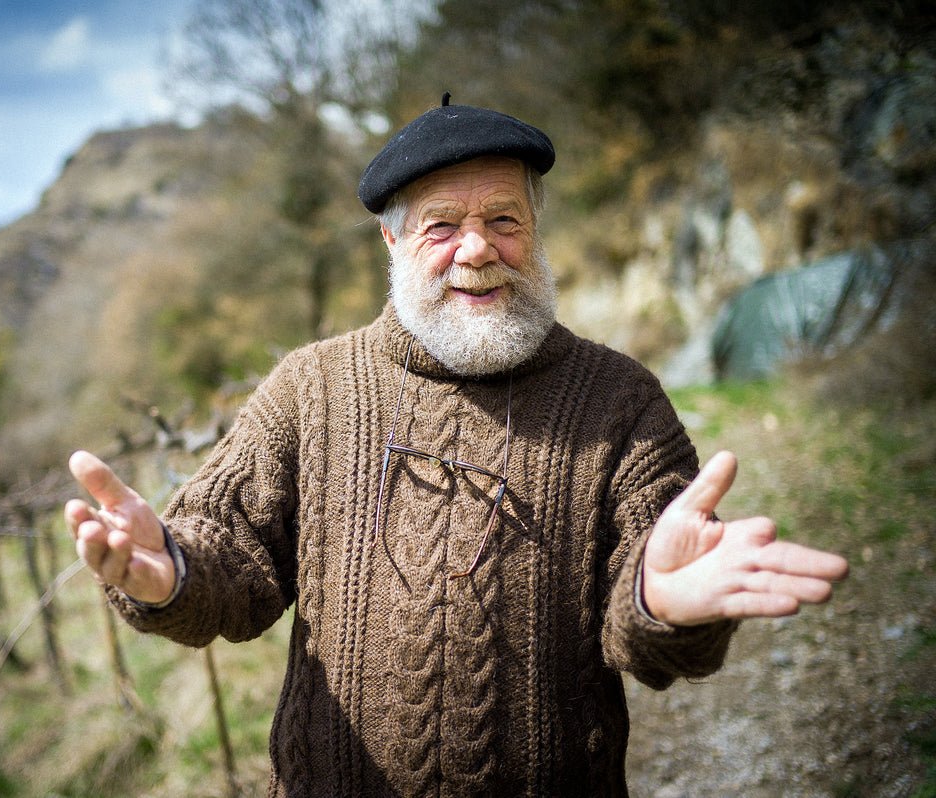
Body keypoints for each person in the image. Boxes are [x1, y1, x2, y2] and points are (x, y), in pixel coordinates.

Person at [64, 95, 849, 796]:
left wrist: (658, 602)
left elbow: (652, 618)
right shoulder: (309, 388)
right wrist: (169, 572)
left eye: (504, 220)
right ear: (391, 238)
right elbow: (229, 559)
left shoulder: (621, 399)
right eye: (442, 226)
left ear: (535, 230)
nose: (476, 250)